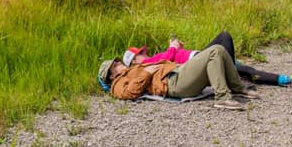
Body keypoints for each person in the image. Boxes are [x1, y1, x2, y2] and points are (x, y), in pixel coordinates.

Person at [123, 31, 292, 89]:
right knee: (224, 38)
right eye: (140, 53)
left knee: (246, 70)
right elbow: (167, 61)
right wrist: (173, 47)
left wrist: (176, 48)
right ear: (135, 61)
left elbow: (170, 58)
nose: (144, 53)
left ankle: (288, 79)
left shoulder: (149, 60)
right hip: (198, 63)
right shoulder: (146, 65)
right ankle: (234, 81)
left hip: (199, 59)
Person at [99, 44, 253, 110]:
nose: (119, 62)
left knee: (219, 51)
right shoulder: (117, 84)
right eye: (115, 64)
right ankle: (222, 98)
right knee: (214, 51)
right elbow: (128, 93)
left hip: (178, 73)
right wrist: (147, 73)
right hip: (173, 83)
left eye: (118, 61)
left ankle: (237, 88)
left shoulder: (133, 69)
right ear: (112, 76)